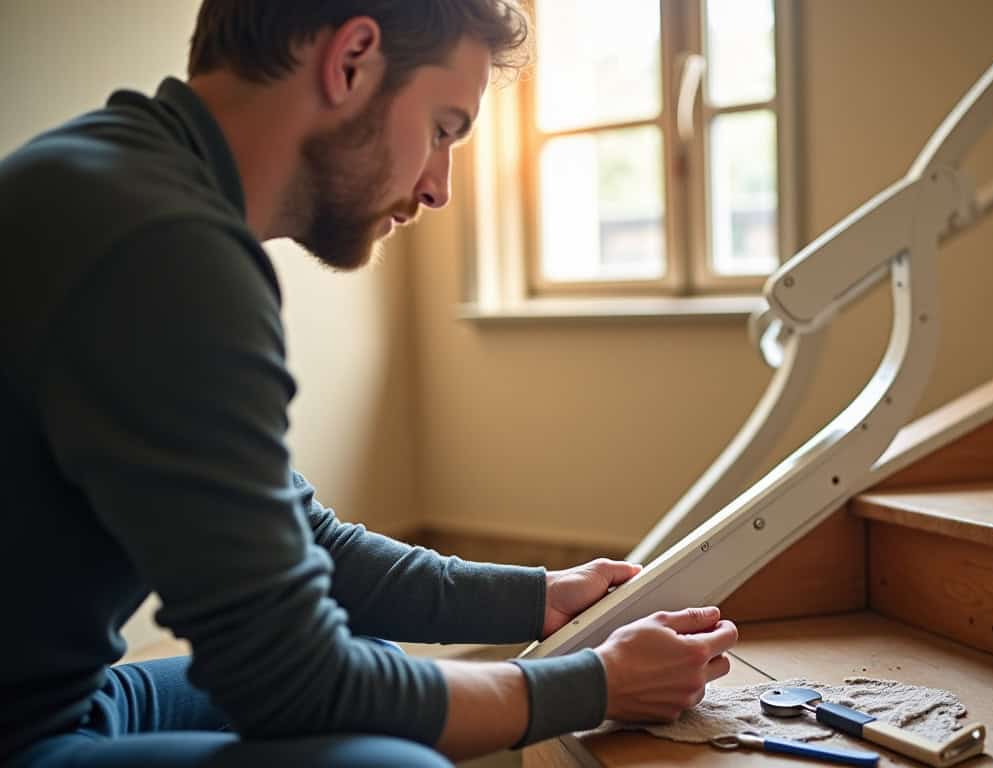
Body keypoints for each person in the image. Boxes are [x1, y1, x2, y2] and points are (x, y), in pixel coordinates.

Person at [0, 1, 738, 766]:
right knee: (396, 763)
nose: (438, 187)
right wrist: (593, 685)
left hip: (67, 700)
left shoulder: (124, 183)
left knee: (376, 668)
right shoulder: (159, 249)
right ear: (351, 59)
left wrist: (540, 595)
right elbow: (292, 680)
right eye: (444, 129)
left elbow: (305, 543)